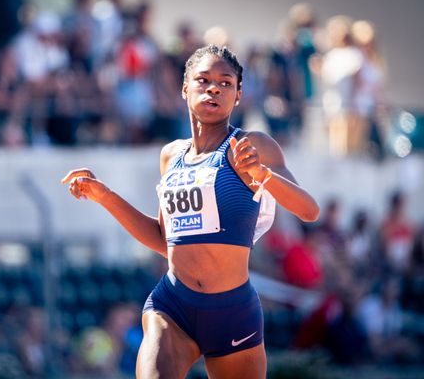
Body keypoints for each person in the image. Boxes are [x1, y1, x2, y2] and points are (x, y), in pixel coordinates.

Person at [62, 44, 320, 378]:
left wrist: (264, 176)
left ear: (238, 95)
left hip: (232, 310)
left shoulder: (252, 146)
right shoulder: (170, 156)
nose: (214, 88)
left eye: (226, 83)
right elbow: (163, 240)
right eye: (203, 80)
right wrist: (105, 196)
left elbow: (309, 211)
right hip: (173, 307)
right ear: (185, 89)